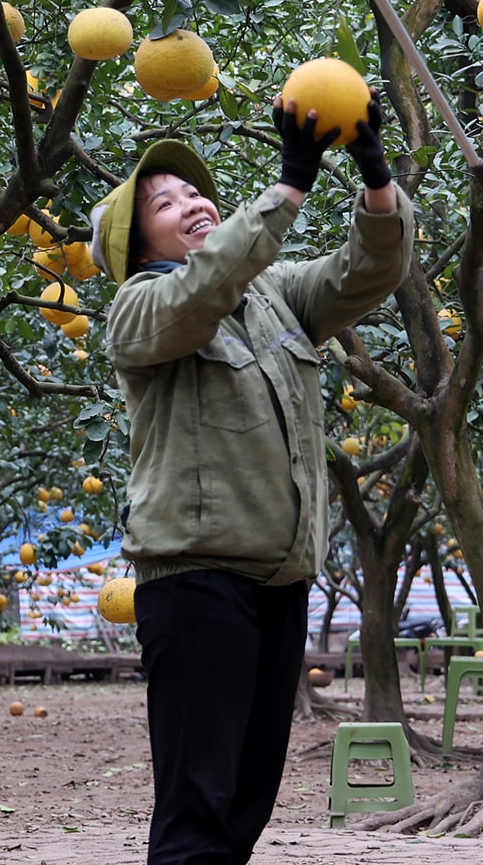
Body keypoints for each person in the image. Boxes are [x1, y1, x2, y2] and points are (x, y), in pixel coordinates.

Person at [91, 95, 413, 865]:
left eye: (195, 191)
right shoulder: (139, 309)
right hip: (196, 581)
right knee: (197, 809)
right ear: (136, 244)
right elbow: (198, 291)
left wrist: (374, 175)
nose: (191, 202)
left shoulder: (274, 297)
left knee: (243, 804)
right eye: (164, 203)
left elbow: (369, 269)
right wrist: (289, 184)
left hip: (278, 581)